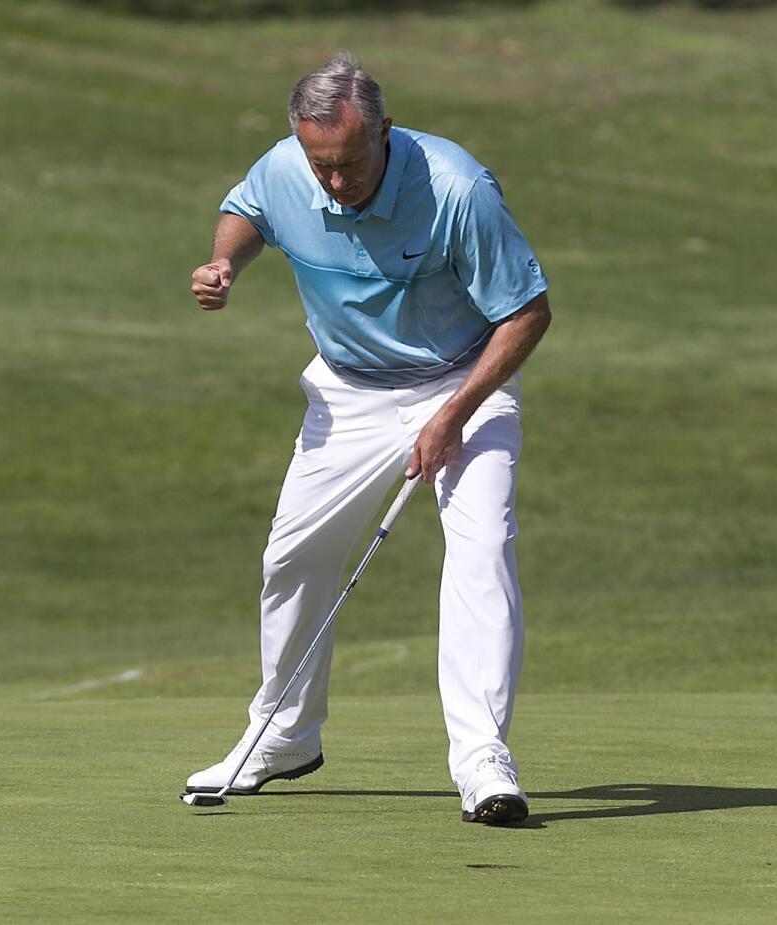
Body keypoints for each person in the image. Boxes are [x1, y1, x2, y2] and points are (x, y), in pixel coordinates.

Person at [184, 52, 550, 826]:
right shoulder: (290, 167)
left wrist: (452, 414)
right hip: (347, 391)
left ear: (384, 130)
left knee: (483, 544)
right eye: (321, 165)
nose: (336, 183)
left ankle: (482, 757)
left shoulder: (457, 189)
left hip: (462, 381)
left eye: (350, 163)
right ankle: (284, 733)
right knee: (294, 555)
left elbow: (527, 314)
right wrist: (225, 263)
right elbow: (247, 209)